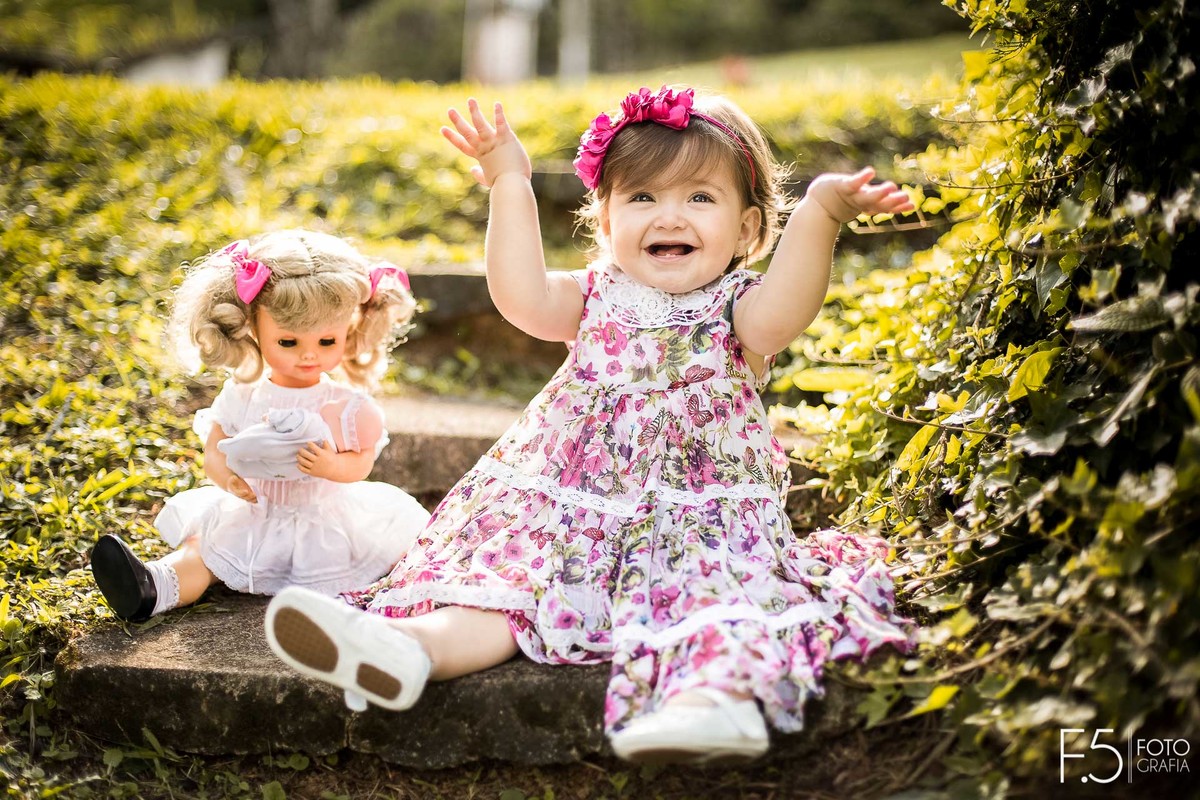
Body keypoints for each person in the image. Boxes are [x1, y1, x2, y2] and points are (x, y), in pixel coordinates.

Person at [263, 86, 914, 762]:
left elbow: (786, 313)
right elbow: (520, 296)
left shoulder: (741, 308)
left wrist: (822, 213)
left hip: (698, 521)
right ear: (604, 223)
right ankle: (410, 649)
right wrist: (509, 180)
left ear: (747, 230)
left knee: (715, 601)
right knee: (510, 590)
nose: (670, 215)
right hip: (571, 515)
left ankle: (713, 704)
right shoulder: (593, 295)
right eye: (642, 198)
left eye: (699, 197)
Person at [90, 229, 429, 628]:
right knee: (205, 548)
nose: (308, 353)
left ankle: (400, 596)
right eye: (288, 341)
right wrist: (226, 477)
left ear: (348, 332)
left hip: (321, 516)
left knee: (363, 554)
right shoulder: (244, 395)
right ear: (253, 328)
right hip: (254, 509)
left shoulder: (346, 406)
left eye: (326, 340)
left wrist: (331, 467)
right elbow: (216, 447)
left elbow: (362, 462)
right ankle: (154, 587)